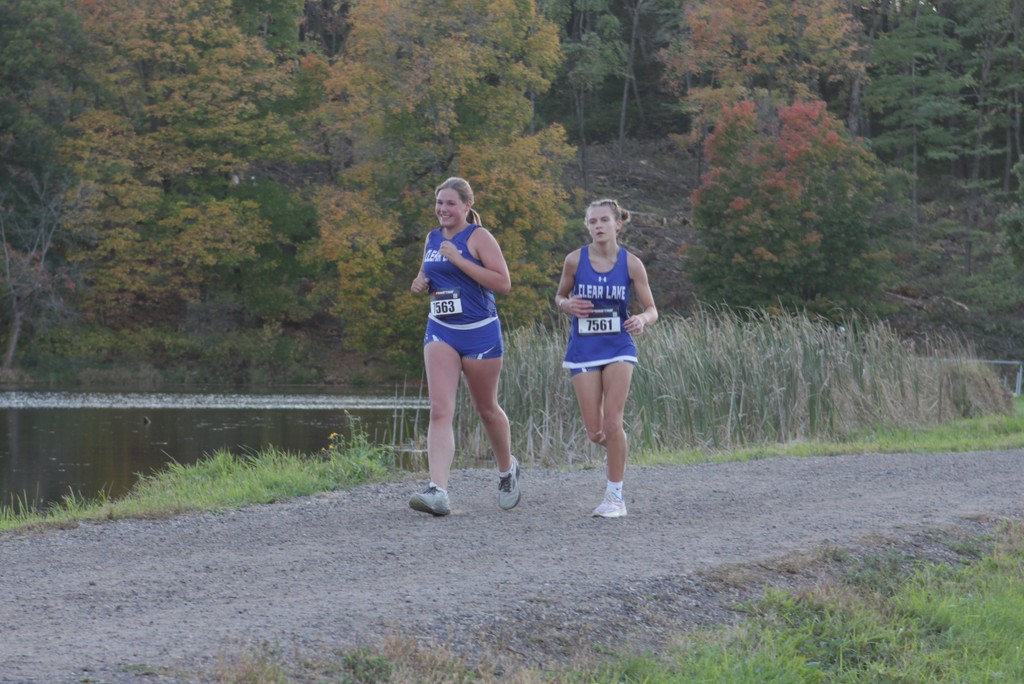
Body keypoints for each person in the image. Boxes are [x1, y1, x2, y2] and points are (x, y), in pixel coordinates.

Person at [408, 177, 521, 516]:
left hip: (479, 332)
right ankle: (438, 491)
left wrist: (460, 260)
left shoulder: (479, 237)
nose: (442, 209)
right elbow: (428, 274)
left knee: (486, 409)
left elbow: (503, 283)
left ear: (467, 206)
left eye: (450, 203)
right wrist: (420, 282)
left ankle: (507, 470)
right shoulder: (432, 238)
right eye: (439, 202)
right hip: (441, 330)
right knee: (440, 409)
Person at [554, 199, 658, 518]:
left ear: (617, 224)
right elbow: (560, 296)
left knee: (613, 422)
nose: (598, 226)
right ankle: (616, 448)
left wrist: (641, 320)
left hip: (618, 347)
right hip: (583, 349)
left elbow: (652, 309)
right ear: (587, 226)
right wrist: (568, 305)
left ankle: (615, 498)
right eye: (592, 221)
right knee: (596, 432)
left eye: (603, 220)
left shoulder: (631, 264)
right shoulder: (574, 260)